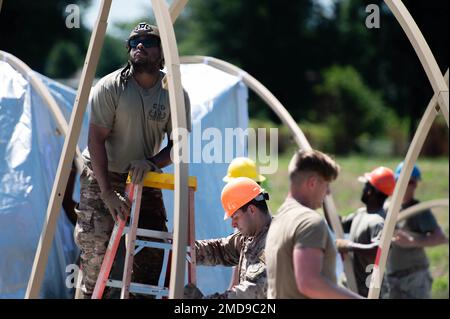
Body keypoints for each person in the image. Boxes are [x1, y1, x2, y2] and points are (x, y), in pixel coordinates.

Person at [74, 22, 191, 299]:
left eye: (148, 41)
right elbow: (95, 140)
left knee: (151, 251)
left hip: (143, 177)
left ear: (162, 53)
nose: (139, 45)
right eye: (134, 41)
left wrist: (151, 163)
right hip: (103, 173)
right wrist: (107, 193)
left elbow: (179, 147)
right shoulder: (110, 86)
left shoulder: (173, 93)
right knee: (95, 251)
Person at [265, 149, 361, 299]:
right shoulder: (309, 221)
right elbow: (308, 283)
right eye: (327, 184)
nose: (328, 192)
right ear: (312, 183)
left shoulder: (278, 219)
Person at [184, 177, 271, 299]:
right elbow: (220, 249)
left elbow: (251, 292)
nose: (233, 224)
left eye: (235, 217)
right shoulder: (249, 237)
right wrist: (187, 249)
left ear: (251, 210)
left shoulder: (274, 242)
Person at [384, 162, 448, 299]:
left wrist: (413, 241)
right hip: (391, 277)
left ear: (416, 184)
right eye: (401, 181)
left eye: (410, 182)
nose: (406, 185)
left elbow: (441, 237)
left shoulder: (419, 211)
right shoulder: (387, 208)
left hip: (414, 278)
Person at [336, 166, 395, 297]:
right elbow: (338, 225)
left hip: (367, 292)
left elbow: (378, 251)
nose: (363, 189)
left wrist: (347, 246)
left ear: (370, 191)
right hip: (351, 286)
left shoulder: (377, 221)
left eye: (366, 186)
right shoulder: (361, 213)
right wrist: (324, 197)